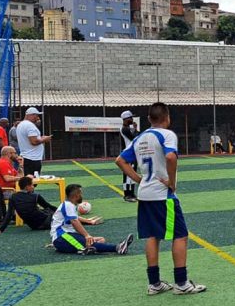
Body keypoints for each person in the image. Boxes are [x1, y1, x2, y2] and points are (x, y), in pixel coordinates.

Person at [116, 102, 206, 295]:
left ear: (149, 119)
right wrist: (172, 182)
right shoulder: (167, 134)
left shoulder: (140, 137)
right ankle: (181, 283)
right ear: (167, 118)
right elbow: (171, 157)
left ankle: (154, 283)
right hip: (162, 195)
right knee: (180, 235)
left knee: (152, 236)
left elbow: (120, 160)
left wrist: (140, 180)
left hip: (145, 195)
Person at [0, 175, 103, 235]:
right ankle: (89, 221)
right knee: (60, 214)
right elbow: (49, 206)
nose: (33, 187)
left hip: (33, 225)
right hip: (43, 222)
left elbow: (8, 215)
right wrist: (63, 210)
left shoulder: (13, 197)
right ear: (27, 187)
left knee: (55, 213)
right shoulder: (35, 196)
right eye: (32, 185)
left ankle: (86, 220)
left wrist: (1, 229)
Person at [49, 183, 132, 256]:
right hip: (62, 237)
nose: (82, 195)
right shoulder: (69, 205)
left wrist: (88, 221)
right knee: (88, 241)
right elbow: (74, 221)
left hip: (64, 237)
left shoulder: (69, 205)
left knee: (100, 240)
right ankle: (117, 248)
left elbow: (75, 218)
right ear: (76, 195)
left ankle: (85, 249)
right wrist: (86, 235)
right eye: (81, 193)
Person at [16, 107, 52, 177]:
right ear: (31, 115)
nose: (37, 118)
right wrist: (45, 139)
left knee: (27, 180)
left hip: (26, 156)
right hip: (32, 158)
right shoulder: (30, 126)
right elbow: (34, 141)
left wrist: (41, 138)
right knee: (32, 181)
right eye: (36, 115)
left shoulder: (21, 124)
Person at [120, 110, 140, 202]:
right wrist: (135, 129)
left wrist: (135, 129)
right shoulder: (125, 129)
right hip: (129, 154)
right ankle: (128, 195)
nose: (132, 119)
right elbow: (135, 138)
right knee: (129, 175)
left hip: (131, 154)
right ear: (126, 119)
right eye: (130, 118)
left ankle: (131, 193)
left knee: (131, 174)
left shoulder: (128, 128)